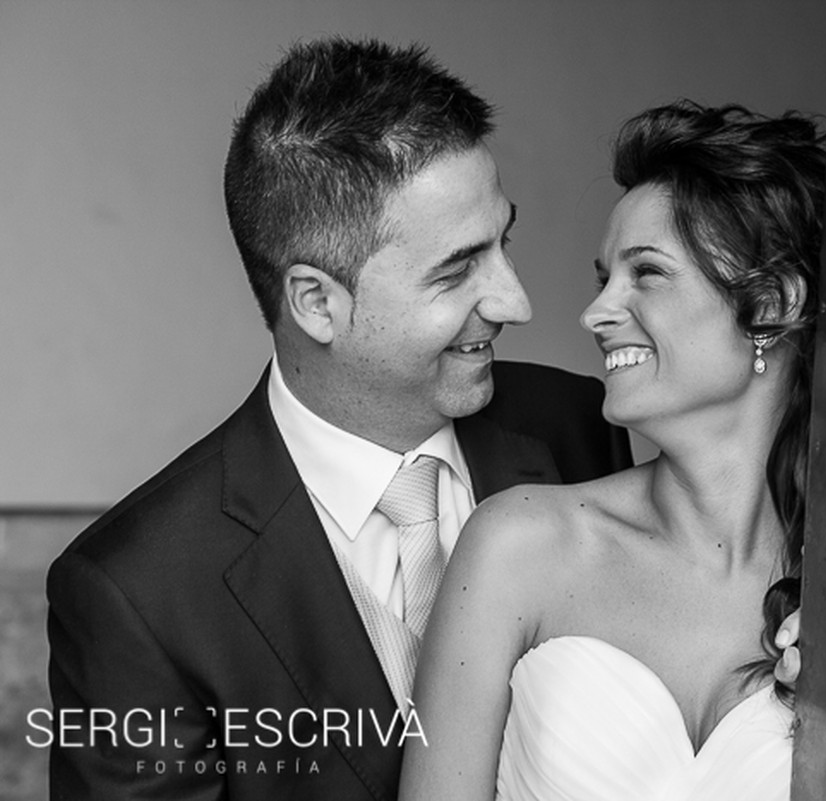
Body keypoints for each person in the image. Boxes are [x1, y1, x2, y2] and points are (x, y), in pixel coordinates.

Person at [45, 38, 631, 800]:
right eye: (456, 270)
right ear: (317, 301)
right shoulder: (137, 595)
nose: (515, 301)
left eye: (503, 242)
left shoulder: (574, 425)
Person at [401, 100, 826, 800]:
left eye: (647, 273)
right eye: (605, 278)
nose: (597, 313)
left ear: (773, 303)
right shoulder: (517, 546)